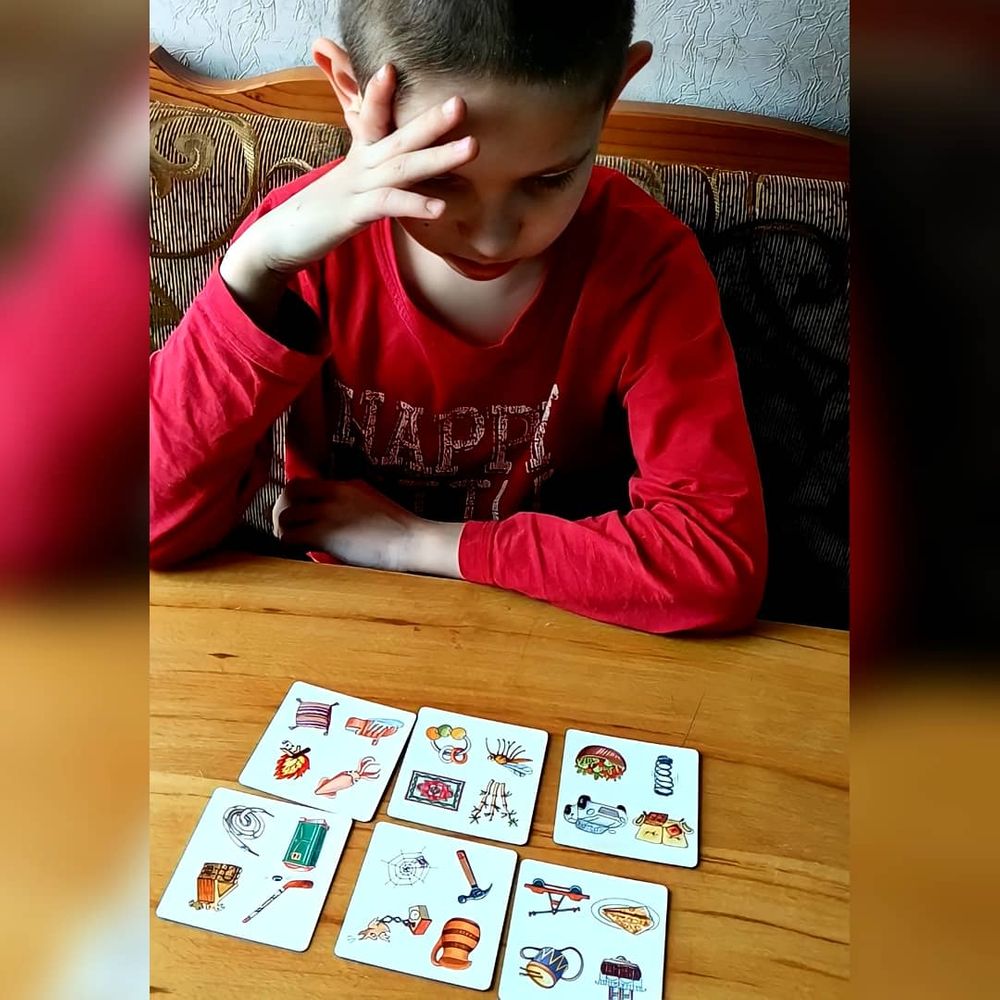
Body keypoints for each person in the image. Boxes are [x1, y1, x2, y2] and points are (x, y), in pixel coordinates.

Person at [150, 0, 767, 635]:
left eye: (549, 178)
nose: (493, 239)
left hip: (556, 631)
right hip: (340, 627)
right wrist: (253, 270)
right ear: (352, 91)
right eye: (441, 179)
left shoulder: (647, 266)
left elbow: (715, 566)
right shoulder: (297, 250)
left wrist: (418, 542)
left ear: (613, 93)